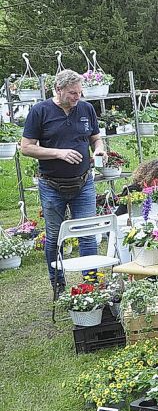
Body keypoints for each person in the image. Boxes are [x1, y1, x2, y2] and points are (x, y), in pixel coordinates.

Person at [20, 69, 105, 294]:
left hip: (83, 183)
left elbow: (95, 138)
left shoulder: (86, 109)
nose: (77, 97)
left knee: (87, 235)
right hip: (52, 185)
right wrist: (59, 153)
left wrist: (99, 149)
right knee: (55, 237)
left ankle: (91, 286)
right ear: (58, 90)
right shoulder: (40, 111)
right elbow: (26, 147)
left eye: (79, 92)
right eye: (72, 93)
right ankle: (58, 285)